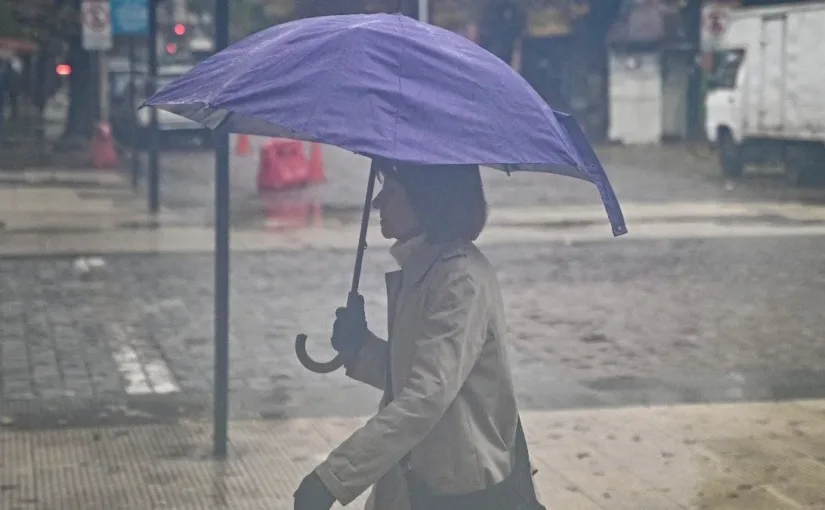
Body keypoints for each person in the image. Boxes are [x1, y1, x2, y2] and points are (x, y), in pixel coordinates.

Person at [293, 161, 544, 510]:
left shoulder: (459, 280)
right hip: (422, 483)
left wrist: (331, 480)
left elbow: (425, 397)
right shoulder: (425, 269)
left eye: (392, 191)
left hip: (459, 493)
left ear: (429, 198)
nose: (378, 202)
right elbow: (422, 375)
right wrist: (360, 348)